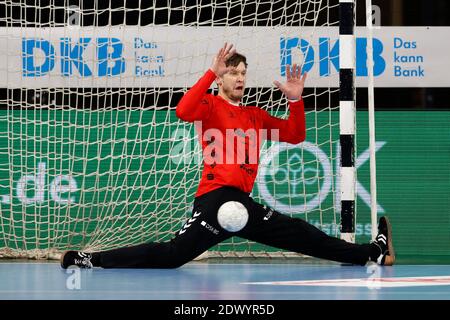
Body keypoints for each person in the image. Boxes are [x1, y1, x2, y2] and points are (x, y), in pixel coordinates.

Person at [61, 43, 394, 269]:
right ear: (221, 78)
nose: (240, 78)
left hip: (241, 204)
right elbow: (182, 109)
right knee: (173, 254)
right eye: (233, 72)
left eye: (243, 73)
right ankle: (91, 260)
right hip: (215, 199)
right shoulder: (209, 105)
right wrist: (209, 72)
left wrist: (295, 101)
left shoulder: (254, 115)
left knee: (300, 234)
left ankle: (373, 253)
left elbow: (294, 135)